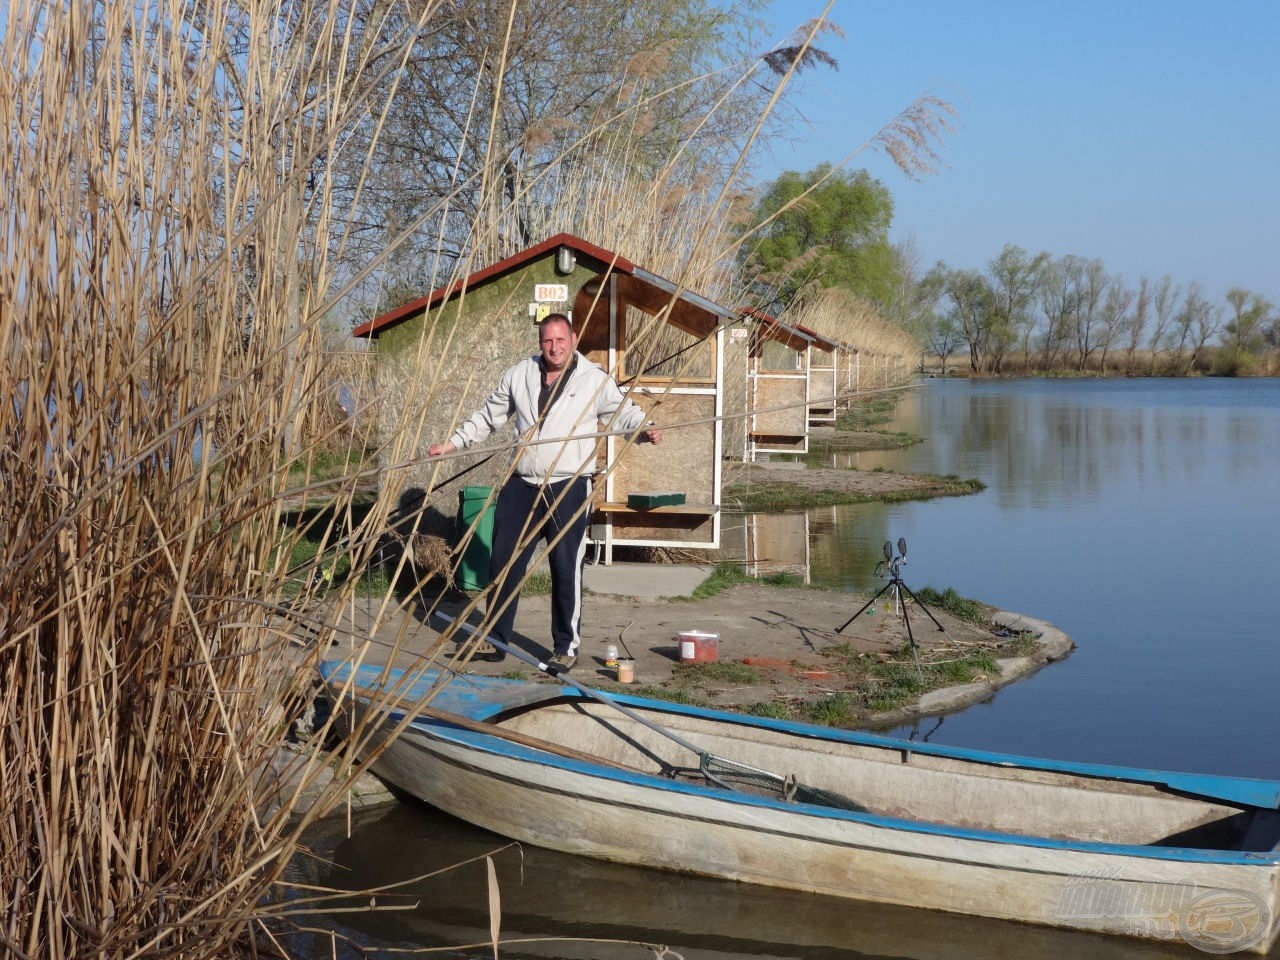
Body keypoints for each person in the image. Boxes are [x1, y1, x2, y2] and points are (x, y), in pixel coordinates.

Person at [428, 313, 662, 673]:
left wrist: (645, 430)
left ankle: (565, 646)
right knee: (503, 561)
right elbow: (488, 417)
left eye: (560, 341)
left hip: (568, 483)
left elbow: (623, 413)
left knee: (565, 566)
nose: (554, 348)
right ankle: (495, 639)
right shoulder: (519, 374)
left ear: (573, 339)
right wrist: (454, 442)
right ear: (540, 343)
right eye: (547, 342)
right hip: (523, 483)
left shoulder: (593, 381)